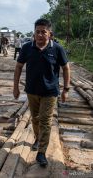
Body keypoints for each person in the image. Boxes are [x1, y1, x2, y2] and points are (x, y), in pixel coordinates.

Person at [13, 18, 70, 167]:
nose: (40, 35)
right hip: (32, 91)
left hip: (50, 92)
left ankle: (41, 153)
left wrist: (66, 89)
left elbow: (66, 68)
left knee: (45, 120)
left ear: (49, 34)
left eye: (43, 32)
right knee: (35, 119)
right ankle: (38, 138)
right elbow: (19, 67)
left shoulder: (57, 49)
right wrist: (15, 87)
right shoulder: (26, 48)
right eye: (37, 32)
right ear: (34, 33)